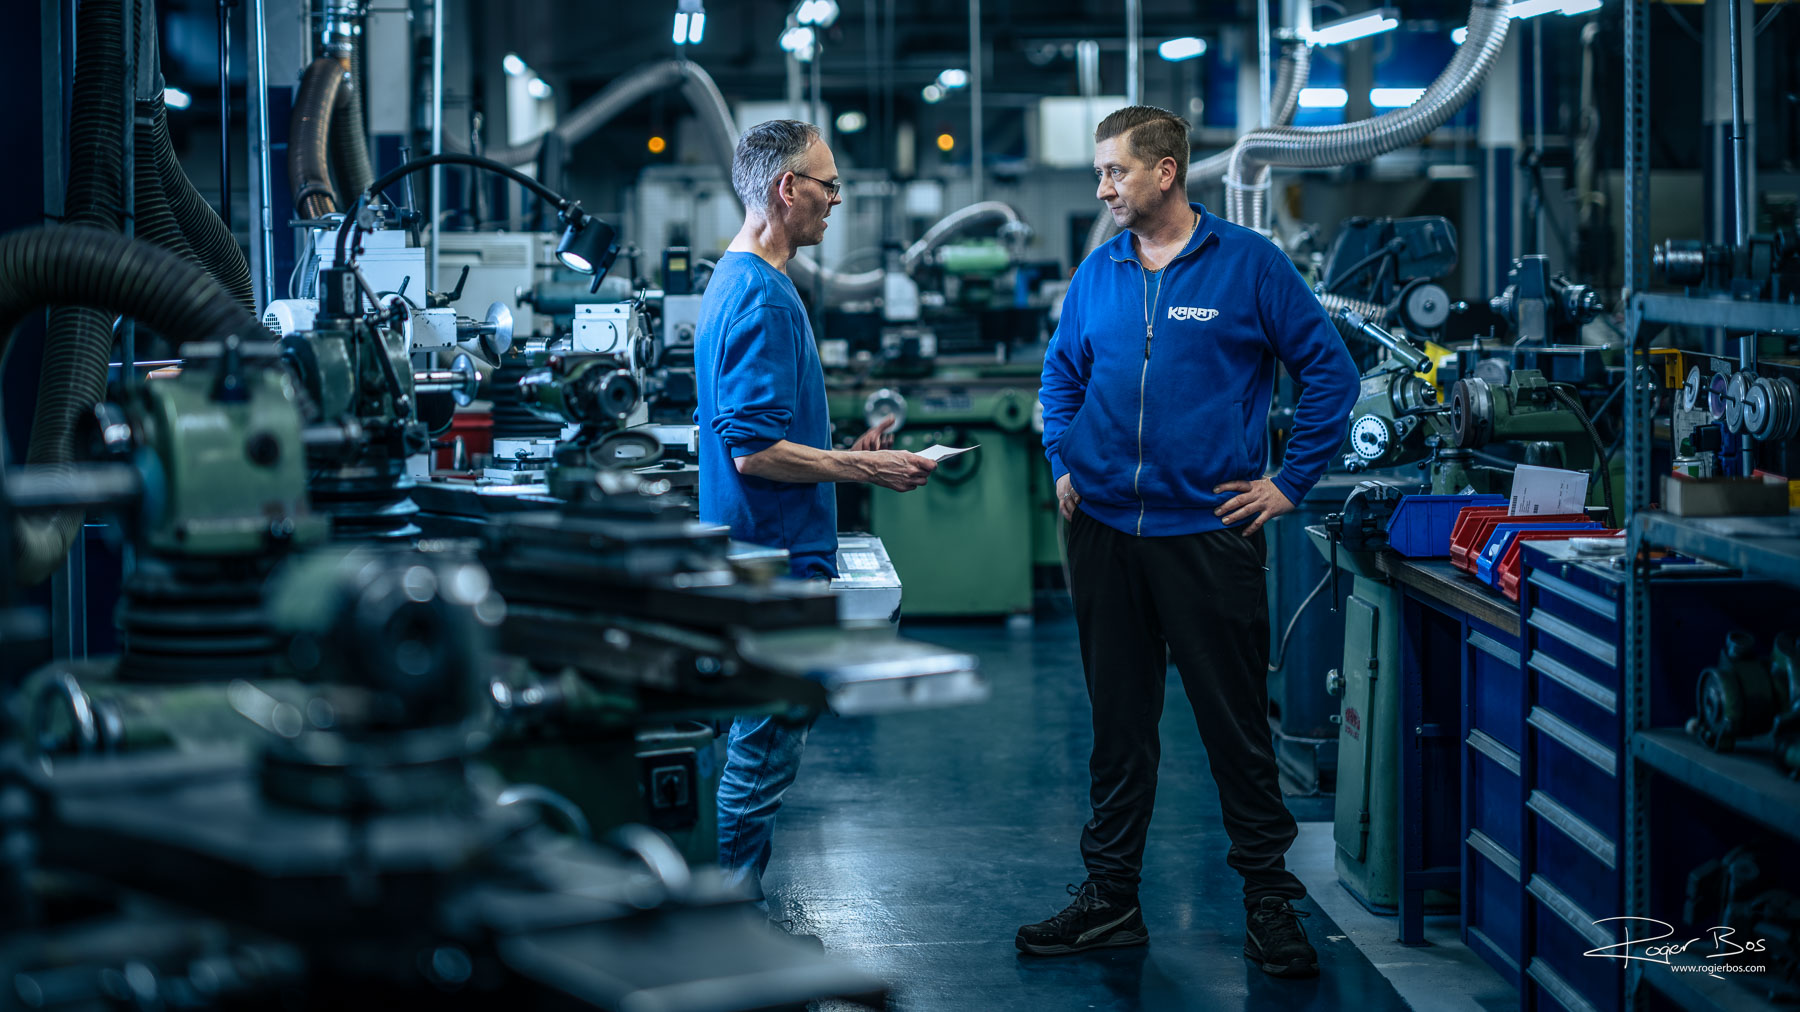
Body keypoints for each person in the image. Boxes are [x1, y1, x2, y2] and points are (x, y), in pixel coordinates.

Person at [1017, 106, 1358, 978]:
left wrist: (1289, 484)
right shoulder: (1097, 273)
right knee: (1118, 728)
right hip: (1103, 534)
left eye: (1114, 172)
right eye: (1100, 173)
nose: (1101, 188)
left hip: (1208, 535)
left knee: (1235, 731)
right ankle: (1111, 902)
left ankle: (1270, 904)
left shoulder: (1249, 266)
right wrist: (1064, 457)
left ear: (1164, 172)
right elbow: (1060, 376)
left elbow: (1331, 373)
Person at [696, 119, 938, 911]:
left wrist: (840, 446)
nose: (837, 198)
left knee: (751, 744)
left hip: (753, 551)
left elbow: (762, 432)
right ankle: (731, 925)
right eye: (828, 184)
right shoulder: (763, 297)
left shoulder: (736, 279)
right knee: (761, 756)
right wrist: (867, 465)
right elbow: (755, 452)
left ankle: (727, 911)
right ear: (785, 188)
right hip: (774, 561)